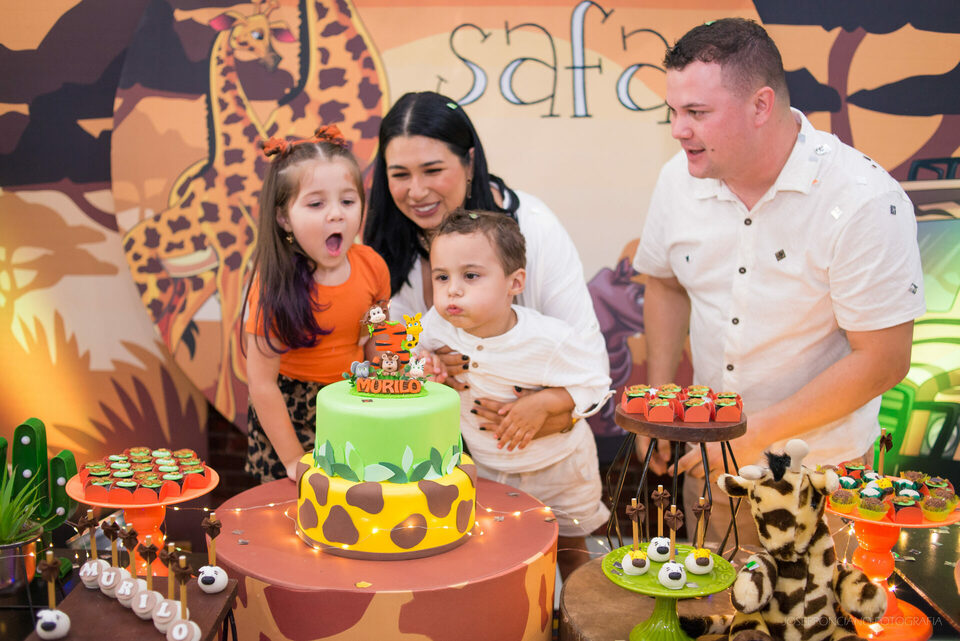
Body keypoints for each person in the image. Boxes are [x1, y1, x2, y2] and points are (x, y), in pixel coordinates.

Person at [632, 19, 925, 540]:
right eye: (673, 112)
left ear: (761, 105)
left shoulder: (863, 200)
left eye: (697, 112)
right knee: (711, 587)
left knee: (820, 595)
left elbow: (884, 359)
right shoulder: (677, 178)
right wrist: (660, 406)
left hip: (823, 477)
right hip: (710, 464)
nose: (678, 130)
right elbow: (667, 284)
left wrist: (750, 435)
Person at [363, 91, 608, 441]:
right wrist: (427, 368)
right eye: (400, 175)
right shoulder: (387, 242)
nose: (416, 191)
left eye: (433, 170)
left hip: (546, 447)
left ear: (470, 163)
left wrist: (542, 409)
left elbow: (590, 366)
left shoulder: (534, 227)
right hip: (440, 446)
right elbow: (387, 354)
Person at [418, 209, 612, 577]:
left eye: (470, 276)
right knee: (500, 554)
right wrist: (428, 363)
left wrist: (545, 402)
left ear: (515, 282)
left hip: (561, 468)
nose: (452, 289)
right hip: (489, 467)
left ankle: (569, 611)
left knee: (570, 552)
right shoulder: (436, 325)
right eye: (442, 277)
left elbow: (596, 384)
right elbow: (412, 355)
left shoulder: (549, 339)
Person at [245, 127, 390, 483]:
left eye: (348, 201)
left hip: (352, 400)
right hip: (289, 415)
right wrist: (293, 459)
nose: (336, 214)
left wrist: (383, 392)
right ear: (283, 217)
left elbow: (375, 337)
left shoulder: (373, 267)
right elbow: (262, 385)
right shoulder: (273, 285)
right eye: (316, 204)